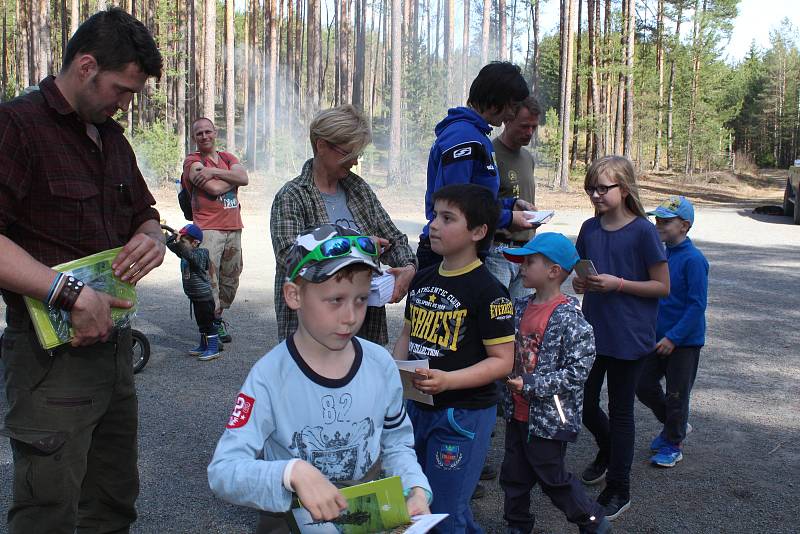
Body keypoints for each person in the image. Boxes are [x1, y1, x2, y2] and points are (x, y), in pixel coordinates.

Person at [0, 8, 165, 533]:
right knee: (47, 513)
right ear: (86, 65)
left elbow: (146, 210)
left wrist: (151, 237)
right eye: (121, 90)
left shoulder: (110, 138)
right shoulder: (17, 127)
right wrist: (69, 293)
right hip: (50, 363)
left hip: (113, 352)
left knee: (113, 504)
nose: (124, 105)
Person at [208, 223, 431, 533]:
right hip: (289, 521)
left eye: (361, 299)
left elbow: (396, 443)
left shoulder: (380, 364)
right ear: (294, 295)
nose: (351, 316)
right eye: (335, 300)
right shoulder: (269, 376)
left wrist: (415, 488)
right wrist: (291, 473)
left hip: (365, 519)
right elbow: (224, 471)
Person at [393, 184, 515, 533]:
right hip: (417, 409)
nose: (433, 224)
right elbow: (407, 336)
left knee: (446, 508)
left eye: (448, 218)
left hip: (463, 414)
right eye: (434, 214)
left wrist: (449, 380)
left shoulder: (490, 291)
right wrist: (394, 378)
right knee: (415, 500)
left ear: (478, 231)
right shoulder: (423, 280)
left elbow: (502, 362)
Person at [573, 156, 670, 521]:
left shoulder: (644, 231)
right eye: (591, 188)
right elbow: (580, 277)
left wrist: (619, 284)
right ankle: (610, 449)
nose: (596, 195)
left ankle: (619, 487)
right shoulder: (589, 228)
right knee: (581, 403)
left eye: (603, 188)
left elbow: (662, 286)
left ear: (624, 189)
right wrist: (581, 283)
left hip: (630, 336)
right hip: (593, 333)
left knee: (621, 411)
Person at [271, 105, 417, 345]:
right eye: (348, 153)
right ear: (321, 145)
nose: (354, 162)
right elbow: (290, 258)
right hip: (313, 336)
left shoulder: (358, 189)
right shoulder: (292, 196)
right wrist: (358, 246)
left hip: (364, 332)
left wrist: (408, 269)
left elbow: (395, 240)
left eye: (357, 154)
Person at [499, 233, 611, 534]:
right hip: (517, 411)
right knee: (513, 475)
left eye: (529, 261)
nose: (522, 266)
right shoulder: (519, 307)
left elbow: (578, 372)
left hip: (550, 416)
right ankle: (518, 525)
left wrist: (532, 385)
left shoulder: (571, 318)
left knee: (552, 477)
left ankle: (593, 521)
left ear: (554, 271)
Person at [418, 61, 535, 270]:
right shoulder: (464, 138)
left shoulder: (476, 136)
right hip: (447, 253)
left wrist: (511, 204)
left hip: (462, 250)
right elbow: (455, 206)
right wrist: (508, 218)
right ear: (495, 100)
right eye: (513, 107)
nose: (513, 114)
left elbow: (475, 195)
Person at [637, 196, 708, 468]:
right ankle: (673, 424)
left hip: (684, 343)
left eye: (666, 222)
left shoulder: (694, 260)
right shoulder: (661, 256)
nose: (658, 226)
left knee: (678, 395)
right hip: (656, 338)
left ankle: (673, 443)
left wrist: (674, 338)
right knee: (643, 385)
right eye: (657, 220)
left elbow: (696, 305)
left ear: (684, 226)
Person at [181, 117, 248, 343]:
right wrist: (229, 177)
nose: (204, 136)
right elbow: (215, 189)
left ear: (215, 132)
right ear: (194, 138)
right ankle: (212, 325)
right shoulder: (192, 161)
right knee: (209, 281)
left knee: (231, 278)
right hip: (208, 229)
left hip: (233, 227)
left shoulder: (228, 157)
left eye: (208, 131)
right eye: (199, 133)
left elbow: (244, 177)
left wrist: (214, 172)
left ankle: (218, 316)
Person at [486, 95, 542, 301]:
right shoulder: (490, 153)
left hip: (527, 251)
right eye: (524, 126)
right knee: (495, 317)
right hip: (498, 251)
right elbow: (482, 206)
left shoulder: (527, 158)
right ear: (508, 119)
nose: (529, 133)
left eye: (533, 127)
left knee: (521, 322)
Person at [165, 223, 221, 361]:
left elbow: (189, 256)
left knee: (208, 323)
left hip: (204, 298)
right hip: (195, 297)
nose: (181, 245)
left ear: (195, 243)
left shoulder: (201, 254)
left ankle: (213, 348)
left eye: (184, 242)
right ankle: (204, 345)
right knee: (201, 323)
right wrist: (172, 235)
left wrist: (179, 243)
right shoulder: (185, 252)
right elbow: (171, 246)